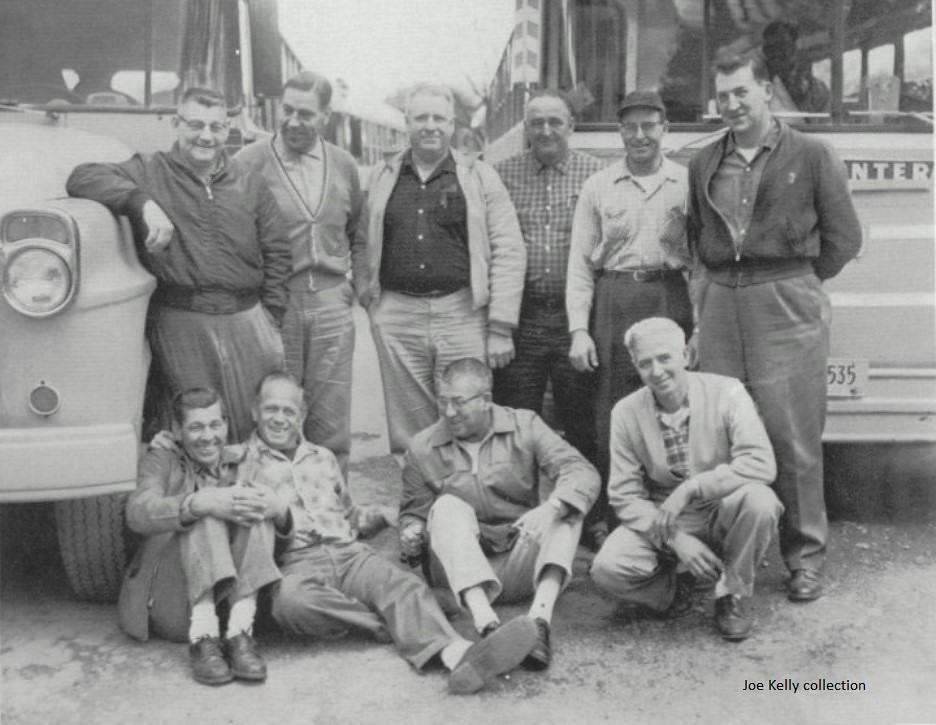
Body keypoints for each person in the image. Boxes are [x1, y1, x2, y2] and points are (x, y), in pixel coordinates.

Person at [686, 47, 861, 602]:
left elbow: (844, 239)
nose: (733, 104)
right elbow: (697, 241)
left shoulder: (811, 153)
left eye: (742, 91)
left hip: (785, 301)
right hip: (720, 303)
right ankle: (726, 555)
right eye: (723, 96)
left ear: (767, 89)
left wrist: (798, 284)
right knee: (717, 434)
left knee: (793, 435)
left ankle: (804, 557)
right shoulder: (703, 162)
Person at [240, 372, 539, 696]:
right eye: (272, 409)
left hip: (349, 554)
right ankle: (401, 620)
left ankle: (458, 655)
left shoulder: (322, 458)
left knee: (402, 585)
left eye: (289, 411)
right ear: (255, 410)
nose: (280, 419)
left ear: (302, 415)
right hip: (296, 562)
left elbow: (349, 518)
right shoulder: (239, 463)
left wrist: (382, 515)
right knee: (290, 602)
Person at [67, 87, 290, 441]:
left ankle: (249, 496)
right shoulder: (150, 170)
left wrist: (272, 318)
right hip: (181, 319)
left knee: (254, 426)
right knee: (196, 427)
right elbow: (83, 176)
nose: (206, 136)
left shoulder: (249, 181)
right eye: (195, 125)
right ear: (176, 123)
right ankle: (199, 498)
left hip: (248, 318)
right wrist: (141, 203)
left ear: (228, 129)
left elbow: (277, 250)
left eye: (216, 128)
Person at [356, 83, 526, 458]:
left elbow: (509, 250)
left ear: (452, 124)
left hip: (462, 313)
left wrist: (500, 326)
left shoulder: (479, 176)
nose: (430, 126)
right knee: (409, 423)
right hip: (397, 314)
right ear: (407, 123)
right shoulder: (381, 177)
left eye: (438, 118)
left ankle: (467, 502)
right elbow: (358, 240)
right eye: (421, 118)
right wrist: (370, 301)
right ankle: (420, 505)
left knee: (467, 410)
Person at [399, 358, 601, 670]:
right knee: (446, 507)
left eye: (459, 403)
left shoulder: (526, 425)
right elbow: (414, 510)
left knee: (567, 507)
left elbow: (582, 471)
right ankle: (487, 627)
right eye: (443, 402)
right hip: (460, 571)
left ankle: (538, 624)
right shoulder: (422, 447)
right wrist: (410, 530)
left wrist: (553, 507)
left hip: (520, 560)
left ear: (487, 401)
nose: (449, 412)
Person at [590, 318, 782, 640]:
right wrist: (675, 539)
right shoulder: (625, 412)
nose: (657, 371)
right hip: (668, 517)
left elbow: (761, 463)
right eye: (645, 363)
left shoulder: (727, 390)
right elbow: (624, 495)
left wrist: (694, 486)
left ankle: (730, 593)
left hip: (722, 506)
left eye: (665, 358)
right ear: (636, 367)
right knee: (606, 568)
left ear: (685, 356)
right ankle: (676, 590)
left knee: (761, 502)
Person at [566, 90, 694, 547]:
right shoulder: (599, 186)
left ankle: (678, 516)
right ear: (619, 131)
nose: (639, 136)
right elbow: (580, 264)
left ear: (665, 129)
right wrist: (579, 330)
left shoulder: (687, 182)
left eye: (649, 126)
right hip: (615, 296)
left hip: (669, 293)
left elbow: (698, 260)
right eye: (630, 127)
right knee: (612, 412)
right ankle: (618, 520)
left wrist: (696, 326)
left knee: (674, 402)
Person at [233, 71, 364, 477]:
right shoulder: (249, 161)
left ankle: (332, 515)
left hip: (330, 305)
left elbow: (358, 233)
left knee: (330, 418)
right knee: (277, 413)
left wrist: (357, 288)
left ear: (326, 115)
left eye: (305, 114)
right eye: (286, 110)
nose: (292, 121)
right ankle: (278, 514)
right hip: (276, 306)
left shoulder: (343, 164)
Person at [119, 388, 282, 686]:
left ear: (226, 425)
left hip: (232, 598)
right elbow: (138, 512)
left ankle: (240, 634)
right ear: (178, 431)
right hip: (174, 601)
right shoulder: (163, 458)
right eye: (196, 427)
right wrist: (193, 503)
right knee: (204, 507)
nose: (208, 436)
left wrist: (272, 505)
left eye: (215, 425)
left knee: (254, 505)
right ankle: (204, 637)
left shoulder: (244, 460)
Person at [491, 89, 605, 494]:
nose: (545, 130)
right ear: (525, 128)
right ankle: (516, 506)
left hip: (576, 321)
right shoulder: (501, 174)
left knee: (581, 421)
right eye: (536, 122)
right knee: (516, 421)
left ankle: (585, 506)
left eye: (555, 121)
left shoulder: (597, 174)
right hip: (523, 321)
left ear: (571, 126)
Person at [762, 21, 831, 115]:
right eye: (770, 48)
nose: (776, 52)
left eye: (782, 45)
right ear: (764, 52)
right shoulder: (756, 87)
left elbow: (824, 123)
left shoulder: (816, 88)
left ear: (793, 48)